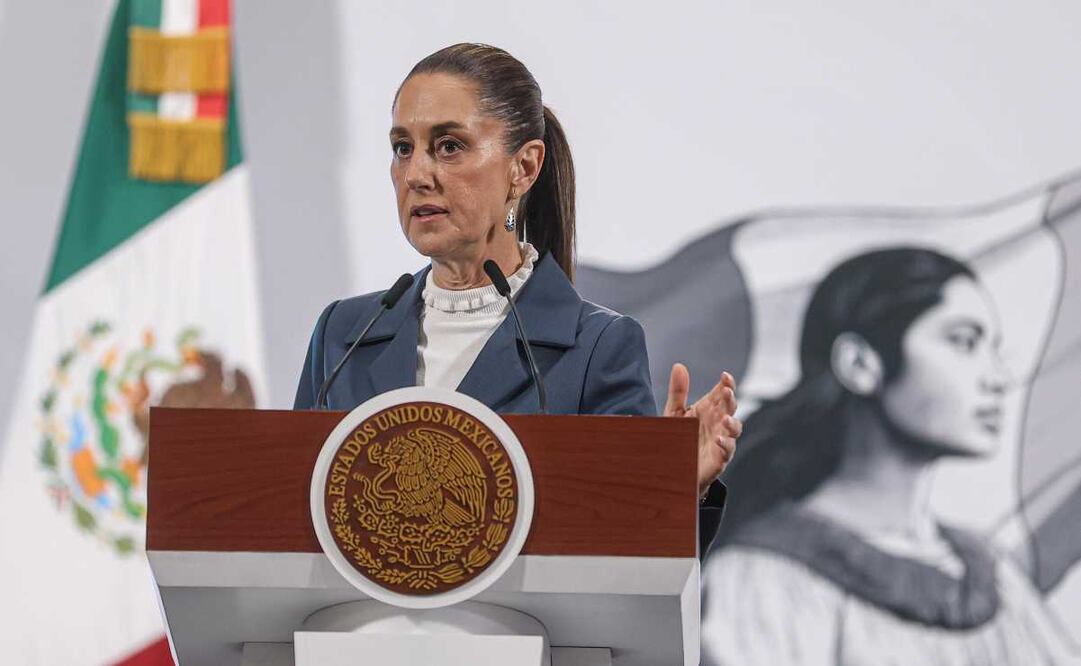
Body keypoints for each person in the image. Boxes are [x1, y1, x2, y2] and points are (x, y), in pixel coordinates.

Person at [293, 43, 741, 543]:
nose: (416, 175)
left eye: (449, 146)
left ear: (523, 168)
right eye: (403, 147)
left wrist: (673, 491)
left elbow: (623, 561)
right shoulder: (345, 337)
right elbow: (289, 522)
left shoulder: (597, 349)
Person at [701, 248, 1079, 665]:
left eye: (993, 349)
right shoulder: (761, 578)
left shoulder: (993, 576)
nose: (998, 379)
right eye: (964, 342)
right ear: (860, 363)